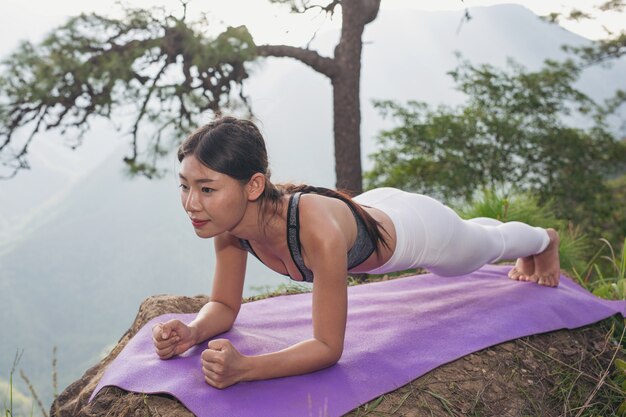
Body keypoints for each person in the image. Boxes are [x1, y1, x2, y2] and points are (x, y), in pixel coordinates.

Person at [152, 116, 560, 389]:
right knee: (477, 237)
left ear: (254, 186)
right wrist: (193, 332)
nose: (191, 203)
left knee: (481, 248)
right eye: (185, 186)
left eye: (207, 189)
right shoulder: (230, 228)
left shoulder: (316, 232)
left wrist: (247, 369)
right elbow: (224, 303)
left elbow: (328, 348)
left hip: (418, 229)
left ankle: (544, 240)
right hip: (371, 209)